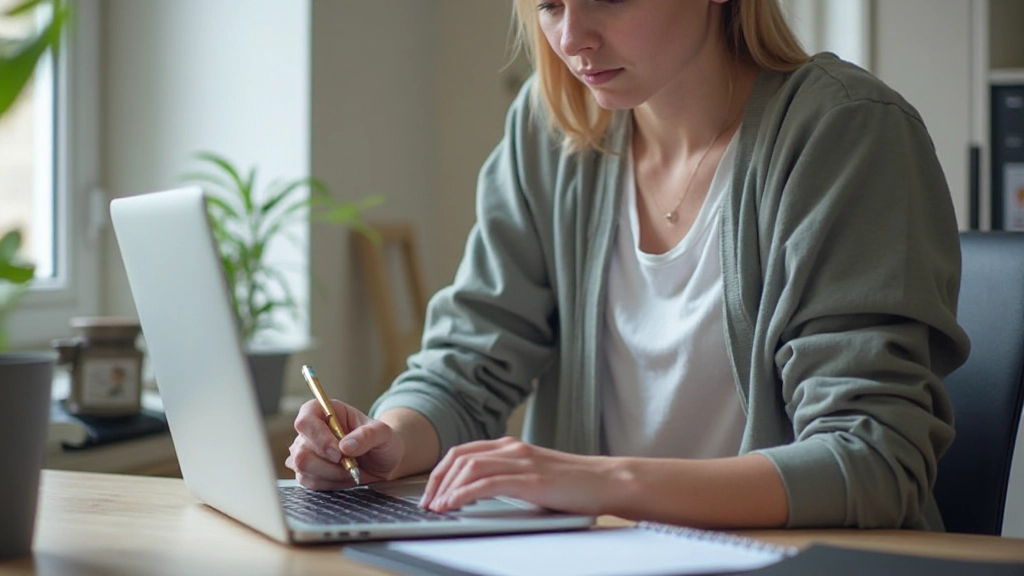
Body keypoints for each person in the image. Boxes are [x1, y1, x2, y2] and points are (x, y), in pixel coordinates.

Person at [287, 0, 969, 530]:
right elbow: (467, 364)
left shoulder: (845, 132)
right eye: (550, 4)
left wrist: (602, 481)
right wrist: (390, 439)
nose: (573, 38)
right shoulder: (551, 129)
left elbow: (873, 459)